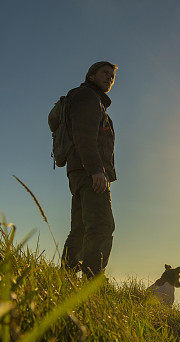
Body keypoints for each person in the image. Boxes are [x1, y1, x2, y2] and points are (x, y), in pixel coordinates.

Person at [61, 61, 118, 277]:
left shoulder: (89, 98)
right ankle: (91, 282)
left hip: (79, 171)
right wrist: (96, 170)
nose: (109, 78)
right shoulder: (88, 97)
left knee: (81, 228)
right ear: (91, 75)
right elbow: (84, 135)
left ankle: (66, 276)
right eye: (105, 73)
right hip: (89, 172)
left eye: (112, 76)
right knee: (102, 226)